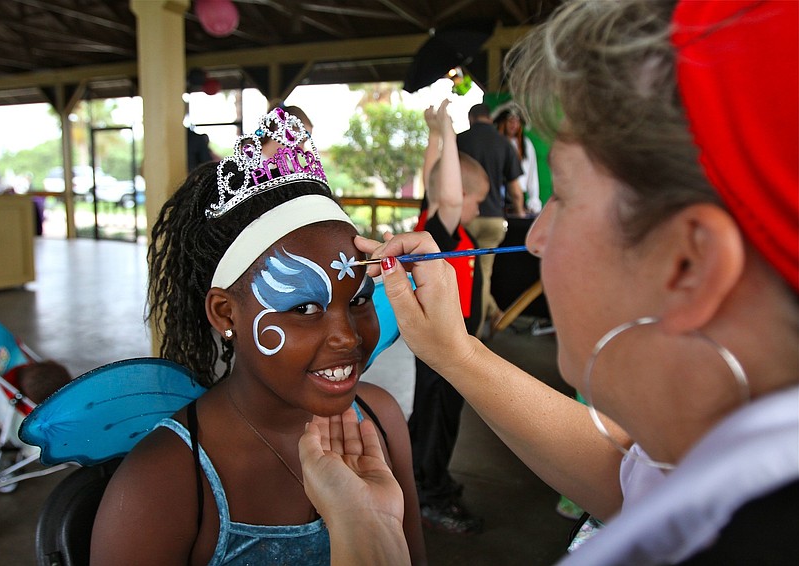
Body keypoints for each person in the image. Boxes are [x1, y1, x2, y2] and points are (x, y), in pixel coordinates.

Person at [299, 0, 798, 564]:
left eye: (561, 192)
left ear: (689, 265)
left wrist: (369, 540)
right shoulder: (708, 465)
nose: (534, 240)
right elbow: (627, 479)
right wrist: (454, 351)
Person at [90, 107, 426, 565]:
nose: (347, 337)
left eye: (359, 299)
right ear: (225, 313)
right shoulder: (164, 481)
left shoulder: (380, 420)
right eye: (304, 308)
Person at [410, 100, 488, 534]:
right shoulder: (442, 231)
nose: (474, 208)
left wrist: (436, 136)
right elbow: (447, 191)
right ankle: (430, 493)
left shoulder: (432, 225)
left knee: (430, 417)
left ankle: (427, 480)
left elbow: (432, 179)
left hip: (441, 347)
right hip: (443, 348)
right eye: (476, 200)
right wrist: (450, 133)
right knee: (439, 421)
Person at [456, 103, 523, 335]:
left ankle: (472, 333)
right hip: (494, 220)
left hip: (464, 219)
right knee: (483, 275)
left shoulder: (460, 140)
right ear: (490, 119)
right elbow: (515, 189)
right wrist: (521, 212)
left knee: (466, 275)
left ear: (471, 119)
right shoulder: (504, 143)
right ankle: (490, 316)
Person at [492, 104, 541, 215]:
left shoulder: (526, 145)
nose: (514, 125)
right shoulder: (495, 143)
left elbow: (532, 174)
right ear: (503, 122)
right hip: (497, 197)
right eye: (510, 121)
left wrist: (534, 199)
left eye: (517, 121)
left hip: (518, 196)